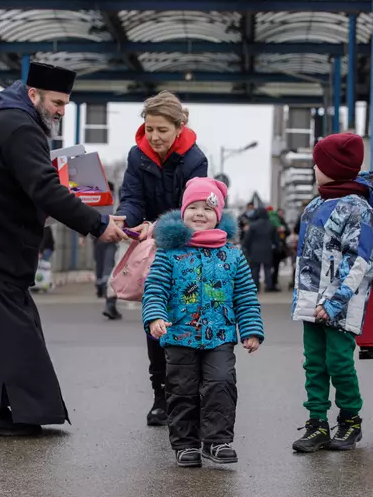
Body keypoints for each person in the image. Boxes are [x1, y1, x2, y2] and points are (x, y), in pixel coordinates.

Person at [0, 61, 127, 437]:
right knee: (10, 334)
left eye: (65, 104)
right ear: (33, 94)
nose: (61, 110)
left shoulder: (6, 120)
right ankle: (3, 416)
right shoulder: (20, 128)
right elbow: (43, 188)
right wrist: (97, 223)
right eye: (57, 102)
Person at [104, 90, 209, 427]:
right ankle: (161, 397)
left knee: (187, 320)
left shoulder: (195, 160)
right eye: (149, 129)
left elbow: (193, 209)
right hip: (152, 254)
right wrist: (125, 217)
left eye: (162, 129)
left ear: (180, 127)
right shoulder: (138, 157)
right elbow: (132, 197)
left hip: (187, 250)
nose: (155, 136)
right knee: (155, 323)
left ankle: (189, 394)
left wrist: (160, 225)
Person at [142, 177, 264, 467]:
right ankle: (186, 445)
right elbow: (155, 289)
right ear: (182, 212)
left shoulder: (233, 256)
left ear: (218, 216)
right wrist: (156, 316)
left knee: (221, 384)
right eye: (193, 207)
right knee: (181, 389)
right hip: (179, 336)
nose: (200, 213)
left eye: (207, 209)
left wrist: (250, 330)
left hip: (220, 336)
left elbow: (246, 295)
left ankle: (217, 441)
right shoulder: (169, 254)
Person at [291, 133, 373, 453]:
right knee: (314, 362)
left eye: (319, 162)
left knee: (339, 361)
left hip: (340, 305)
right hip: (311, 300)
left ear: (333, 167)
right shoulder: (316, 204)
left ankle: (350, 419)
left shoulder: (358, 209)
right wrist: (304, 297)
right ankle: (317, 421)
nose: (315, 168)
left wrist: (335, 301)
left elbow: (359, 259)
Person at [242, 207, 281, 292]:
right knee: (267, 269)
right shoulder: (271, 225)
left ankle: (256, 286)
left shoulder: (253, 225)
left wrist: (245, 247)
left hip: (254, 250)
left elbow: (247, 239)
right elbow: (276, 239)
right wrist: (278, 248)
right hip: (267, 250)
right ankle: (269, 286)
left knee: (255, 269)